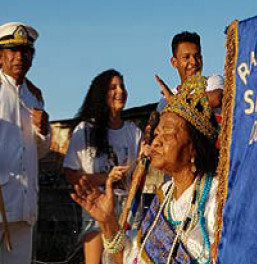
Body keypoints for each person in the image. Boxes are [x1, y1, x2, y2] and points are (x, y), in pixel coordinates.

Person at [71, 74, 219, 264]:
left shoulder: (216, 198)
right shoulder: (163, 199)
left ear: (193, 148)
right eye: (157, 133)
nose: (156, 141)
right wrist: (107, 222)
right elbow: (127, 258)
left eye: (168, 132)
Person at [63, 69, 142, 264]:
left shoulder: (133, 132)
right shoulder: (85, 131)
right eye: (113, 87)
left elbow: (141, 172)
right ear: (101, 93)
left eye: (122, 86)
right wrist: (106, 179)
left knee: (127, 258)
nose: (120, 91)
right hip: (97, 205)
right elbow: (70, 174)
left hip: (128, 209)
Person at [0, 22, 50, 263]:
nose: (19, 56)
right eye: (13, 50)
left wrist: (43, 130)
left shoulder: (35, 95)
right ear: (0, 56)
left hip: (24, 203)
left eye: (26, 51)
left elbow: (39, 152)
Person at [155, 31, 224, 113]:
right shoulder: (165, 101)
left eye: (197, 56)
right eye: (186, 57)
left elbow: (216, 99)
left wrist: (175, 100)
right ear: (174, 62)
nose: (194, 62)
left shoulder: (212, 81)